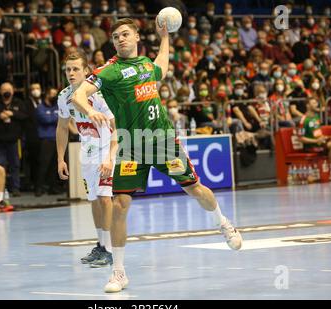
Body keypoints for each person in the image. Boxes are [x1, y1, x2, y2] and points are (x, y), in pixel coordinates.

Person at [71, 18, 243, 293]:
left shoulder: (146, 66)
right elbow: (79, 94)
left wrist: (165, 37)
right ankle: (119, 272)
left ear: (137, 36)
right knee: (120, 205)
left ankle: (223, 223)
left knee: (196, 190)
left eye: (125, 34)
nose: (120, 39)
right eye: (115, 37)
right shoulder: (109, 71)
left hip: (163, 142)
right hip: (131, 146)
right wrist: (90, 110)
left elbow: (161, 65)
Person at [57, 52, 117, 268]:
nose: (71, 73)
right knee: (93, 199)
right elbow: (62, 127)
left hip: (106, 150)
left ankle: (109, 250)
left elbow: (115, 127)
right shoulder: (64, 96)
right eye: (67, 69)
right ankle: (101, 245)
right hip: (87, 153)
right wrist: (60, 158)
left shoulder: (99, 96)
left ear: (86, 72)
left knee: (104, 197)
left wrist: (110, 158)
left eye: (75, 69)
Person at [0, 82, 27, 196]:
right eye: (4, 90)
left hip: (14, 140)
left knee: (15, 164)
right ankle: (2, 189)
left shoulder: (19, 103)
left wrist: (12, 114)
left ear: (13, 91)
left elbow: (25, 116)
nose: (6, 92)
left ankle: (15, 188)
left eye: (8, 89)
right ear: (0, 92)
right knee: (0, 164)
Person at [35, 87, 60, 196]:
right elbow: (45, 120)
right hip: (46, 140)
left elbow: (63, 117)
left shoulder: (57, 106)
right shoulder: (40, 108)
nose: (54, 96)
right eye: (52, 94)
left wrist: (55, 117)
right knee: (44, 165)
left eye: (56, 94)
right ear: (47, 95)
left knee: (54, 165)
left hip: (56, 139)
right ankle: (38, 188)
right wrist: (57, 117)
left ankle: (52, 187)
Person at [299, 97, 331, 163]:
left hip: (320, 143)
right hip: (311, 146)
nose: (316, 105)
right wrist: (316, 140)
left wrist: (326, 137)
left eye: (316, 103)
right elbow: (301, 138)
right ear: (308, 105)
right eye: (314, 103)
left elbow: (317, 133)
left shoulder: (316, 117)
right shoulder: (304, 120)